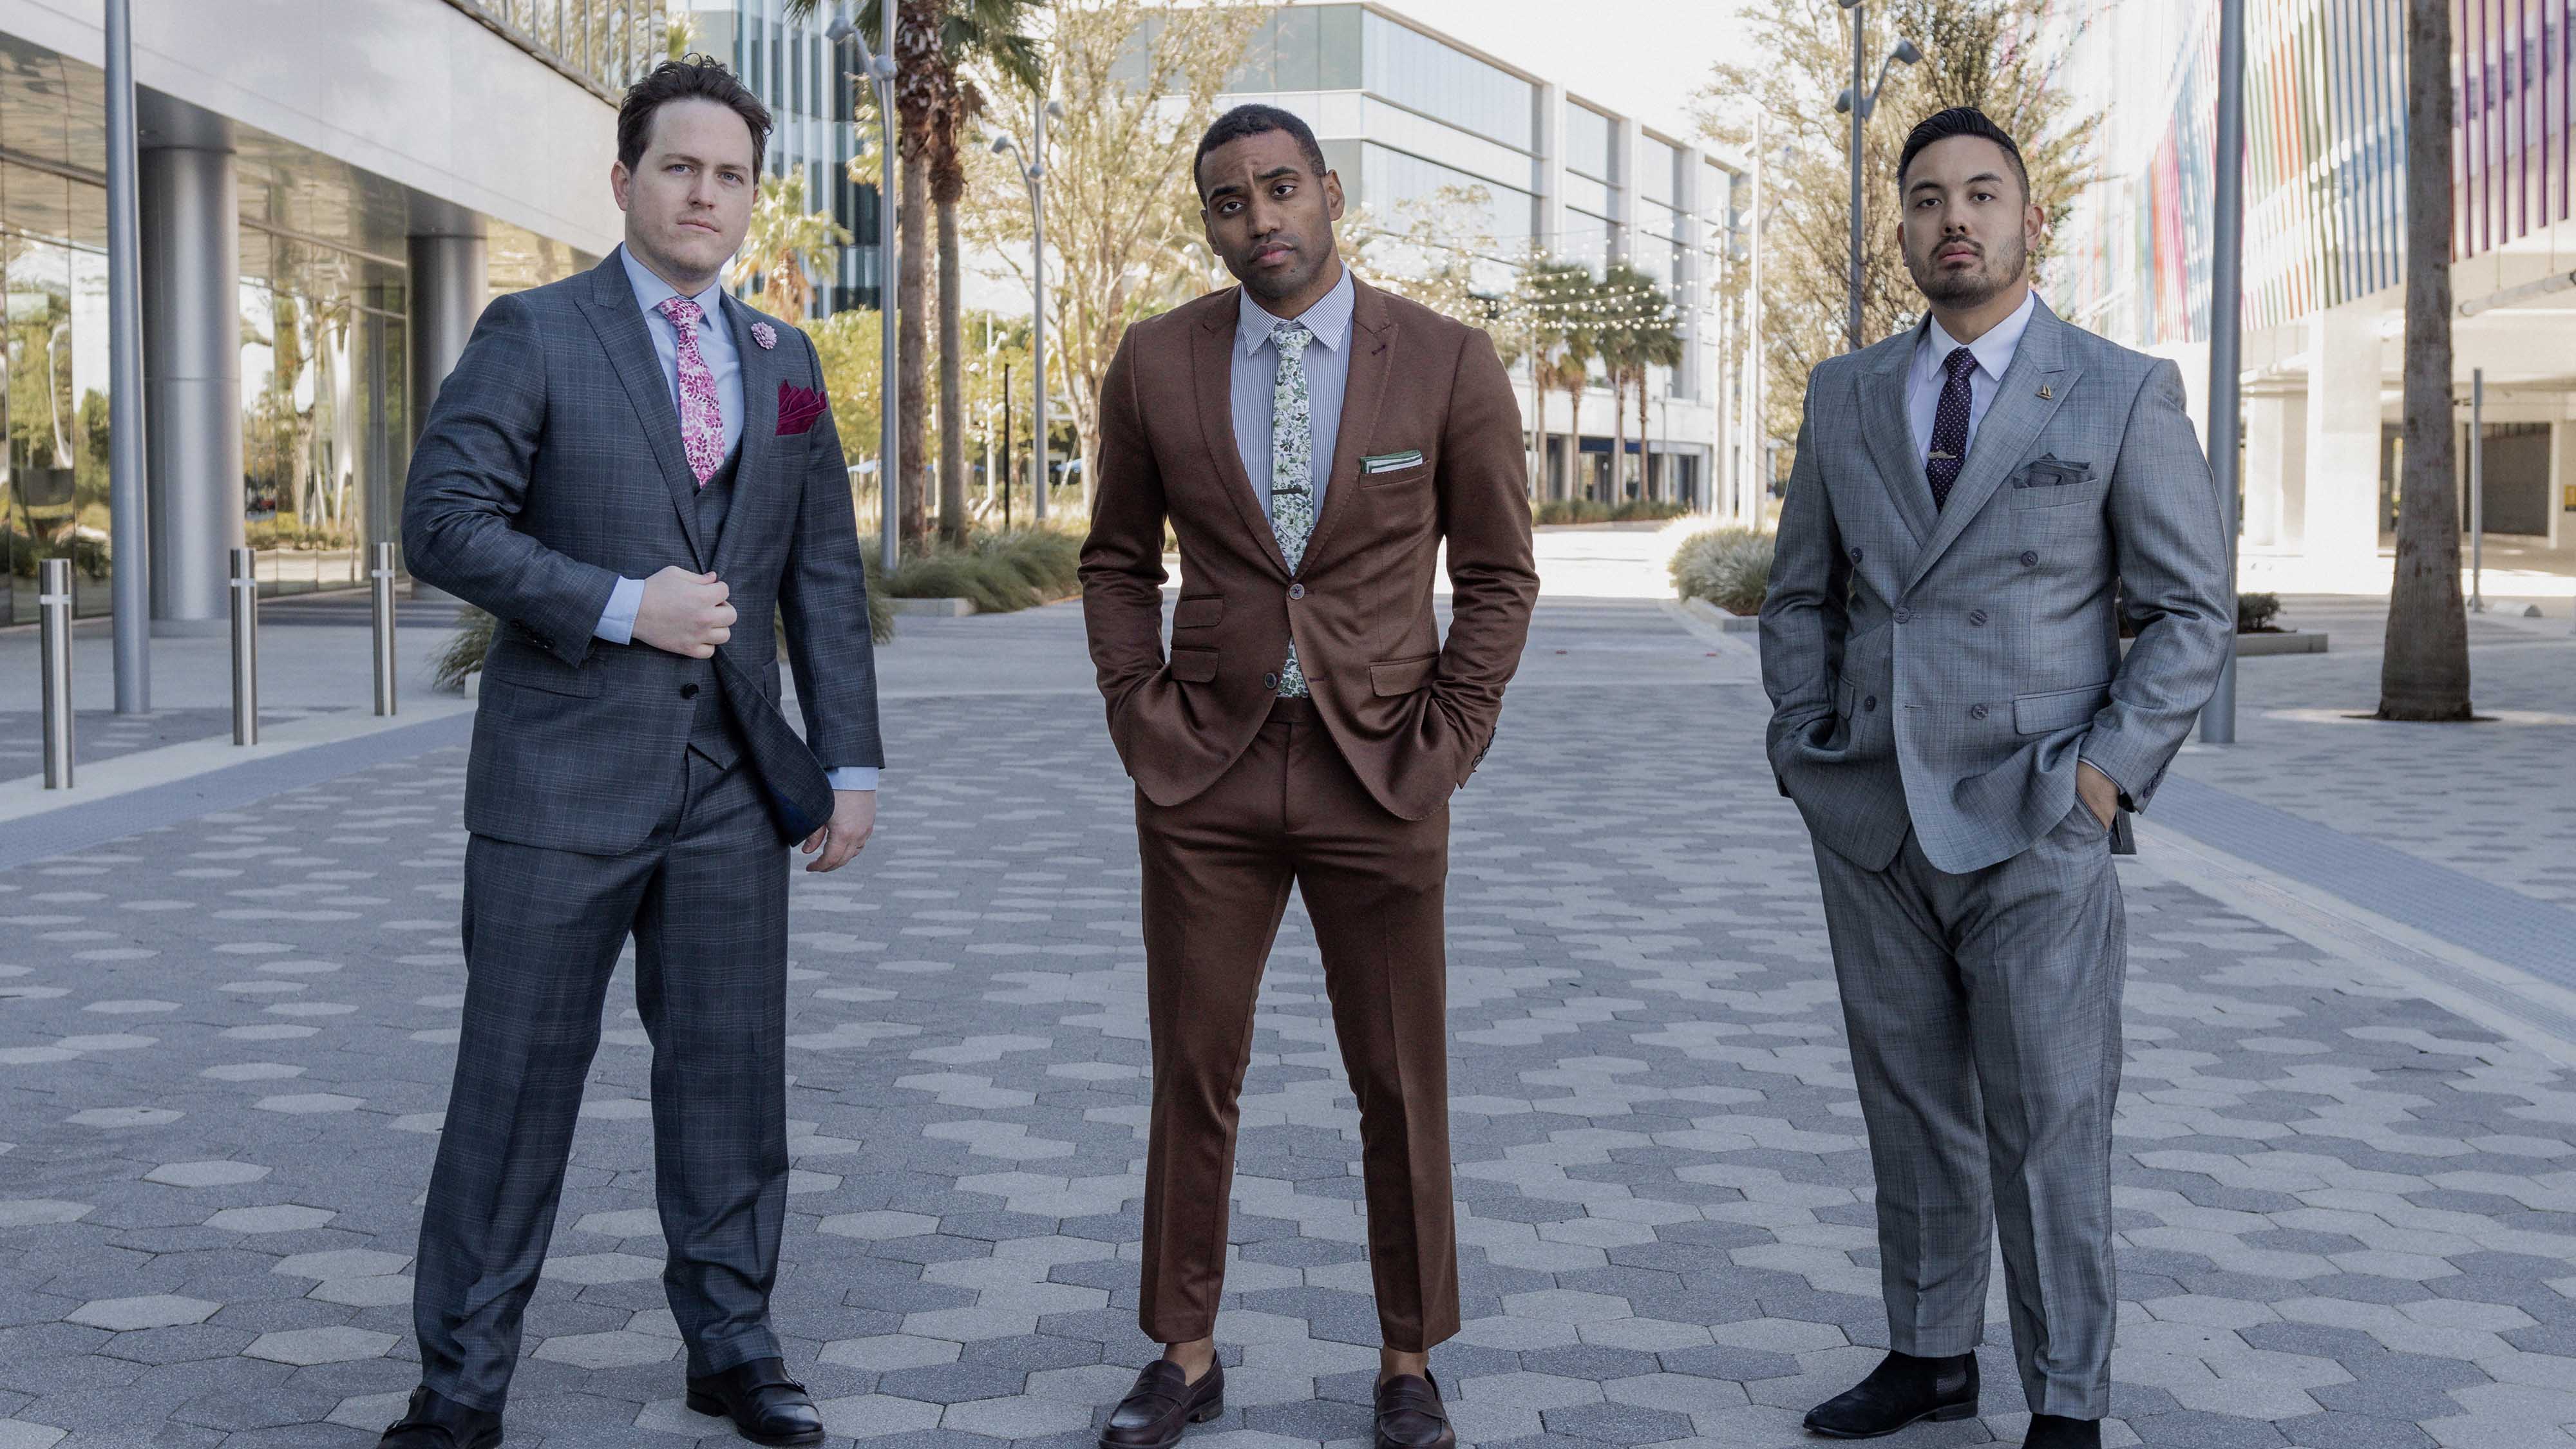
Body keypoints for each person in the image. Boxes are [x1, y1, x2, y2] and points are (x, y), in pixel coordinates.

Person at [385, 57, 882, 1449]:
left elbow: (824, 579)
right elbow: (444, 522)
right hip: (560, 784)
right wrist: (622, 606)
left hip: (733, 788)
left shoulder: (785, 362)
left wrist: (850, 765)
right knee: (514, 1083)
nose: (704, 194)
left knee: (730, 1080)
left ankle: (732, 1345)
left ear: (748, 197)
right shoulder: (534, 332)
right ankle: (460, 1385)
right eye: (679, 167)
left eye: (729, 174)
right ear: (625, 181)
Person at [1759, 108, 2230, 1449]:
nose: (1949, 219)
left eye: (1979, 194)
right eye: (1922, 199)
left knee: (2046, 1122)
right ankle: (1926, 1355)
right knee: (1907, 1107)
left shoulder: (2118, 388)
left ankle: (2067, 1402)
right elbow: (1799, 596)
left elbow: (2189, 612)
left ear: (2030, 222)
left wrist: (2100, 780)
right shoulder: (1842, 392)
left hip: (2034, 817)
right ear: (1900, 227)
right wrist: (1802, 742)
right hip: (1870, 816)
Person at [1077, 103, 1539, 1449]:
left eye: (1281, 190)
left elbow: (1498, 574)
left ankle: (1406, 1361)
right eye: (1229, 201)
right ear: (1207, 220)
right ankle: (1184, 1353)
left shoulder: (1444, 361)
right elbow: (1114, 560)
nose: (1259, 219)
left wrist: (1448, 736)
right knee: (1191, 1067)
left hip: (1380, 770)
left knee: (1398, 1075)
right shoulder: (1156, 359)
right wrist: (1135, 709)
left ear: (1329, 194)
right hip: (1204, 772)